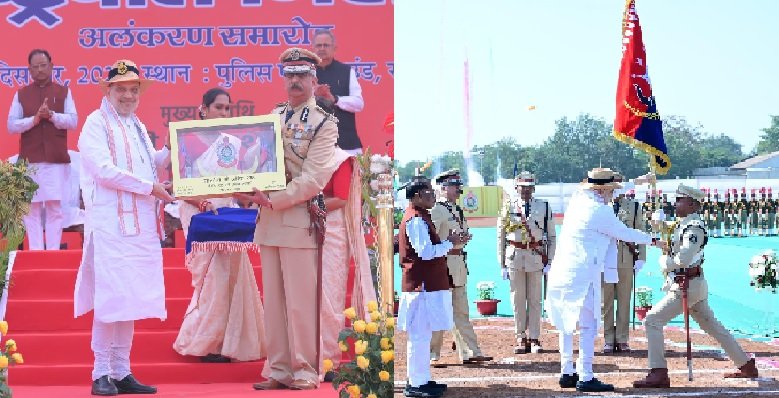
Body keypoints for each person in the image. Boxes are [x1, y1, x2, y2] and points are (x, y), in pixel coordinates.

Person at [235, 47, 339, 391]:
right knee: (275, 305)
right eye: (289, 75)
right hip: (268, 222)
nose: (295, 81)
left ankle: (307, 369)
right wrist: (241, 185)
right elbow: (253, 161)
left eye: (301, 75)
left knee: (300, 303)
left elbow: (313, 179)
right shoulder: (272, 117)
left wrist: (273, 200)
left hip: (298, 220)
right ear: (283, 79)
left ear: (314, 79)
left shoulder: (325, 124)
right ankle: (278, 369)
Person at [74, 59, 174, 396]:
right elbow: (103, 171)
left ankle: (122, 371)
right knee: (111, 298)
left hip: (139, 226)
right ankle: (101, 371)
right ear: (110, 90)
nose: (128, 96)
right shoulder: (95, 123)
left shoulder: (137, 125)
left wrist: (174, 148)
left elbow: (151, 164)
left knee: (128, 298)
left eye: (134, 90)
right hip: (110, 227)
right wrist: (150, 187)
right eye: (122, 90)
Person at [173, 88, 266, 364]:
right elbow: (180, 186)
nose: (224, 113)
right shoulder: (185, 139)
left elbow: (235, 186)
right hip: (197, 213)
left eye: (227, 108)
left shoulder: (233, 143)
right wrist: (201, 202)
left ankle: (230, 341)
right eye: (219, 108)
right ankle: (205, 342)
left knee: (232, 275)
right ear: (203, 109)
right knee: (212, 276)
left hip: (226, 214)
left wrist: (253, 197)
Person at [633, 184, 759, 388]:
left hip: (687, 285)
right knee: (713, 327)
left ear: (691, 204)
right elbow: (672, 235)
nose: (676, 204)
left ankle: (658, 372)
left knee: (652, 320)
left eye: (680, 200)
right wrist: (658, 225)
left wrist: (664, 262)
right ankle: (745, 364)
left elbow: (683, 257)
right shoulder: (685, 223)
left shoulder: (694, 228)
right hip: (692, 284)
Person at [545, 167, 654, 393]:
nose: (613, 194)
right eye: (610, 190)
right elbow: (624, 232)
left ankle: (567, 372)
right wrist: (654, 240)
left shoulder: (578, 199)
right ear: (603, 190)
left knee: (566, 325)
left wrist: (640, 180)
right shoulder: (599, 210)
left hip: (563, 271)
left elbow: (617, 191)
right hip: (582, 275)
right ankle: (585, 375)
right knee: (588, 325)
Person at [398, 175, 465, 398]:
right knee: (419, 337)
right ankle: (415, 384)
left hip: (425, 286)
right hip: (421, 287)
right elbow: (426, 253)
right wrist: (450, 243)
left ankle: (422, 379)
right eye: (428, 191)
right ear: (417, 195)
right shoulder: (416, 220)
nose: (433, 194)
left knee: (423, 335)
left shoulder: (420, 216)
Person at [6, 49, 78, 250]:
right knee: (32, 209)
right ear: (29, 70)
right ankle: (37, 252)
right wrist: (35, 119)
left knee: (55, 207)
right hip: (31, 162)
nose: (39, 70)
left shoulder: (64, 92)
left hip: (55, 159)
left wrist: (52, 115)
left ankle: (53, 252)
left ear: (51, 66)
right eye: (35, 67)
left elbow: (73, 121)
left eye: (43, 65)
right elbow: (11, 125)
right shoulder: (21, 94)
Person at [319, 147, 377, 381]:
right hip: (300, 228)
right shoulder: (298, 156)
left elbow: (341, 198)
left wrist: (303, 203)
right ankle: (300, 359)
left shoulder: (340, 160)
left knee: (330, 298)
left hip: (331, 230)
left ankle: (326, 362)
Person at [429, 169, 492, 366]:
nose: (458, 189)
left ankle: (470, 352)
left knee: (461, 311)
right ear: (443, 188)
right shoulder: (436, 210)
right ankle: (432, 354)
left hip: (457, 264)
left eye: (458, 185)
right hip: (442, 265)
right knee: (439, 311)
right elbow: (431, 238)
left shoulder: (457, 210)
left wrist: (463, 239)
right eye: (454, 186)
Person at [497, 171, 556, 354]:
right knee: (517, 299)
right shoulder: (508, 206)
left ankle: (535, 338)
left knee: (535, 300)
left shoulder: (544, 207)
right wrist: (502, 264)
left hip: (536, 257)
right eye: (522, 188)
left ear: (534, 188)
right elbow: (500, 236)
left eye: (529, 188)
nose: (526, 191)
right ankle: (521, 337)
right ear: (516, 188)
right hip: (514, 256)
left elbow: (552, 235)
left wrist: (550, 261)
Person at [602, 172, 647, 354]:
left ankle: (622, 338)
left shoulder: (634, 206)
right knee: (606, 301)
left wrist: (641, 256)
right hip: (606, 258)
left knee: (624, 300)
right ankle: (608, 339)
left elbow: (640, 230)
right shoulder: (602, 205)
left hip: (626, 257)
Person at [312, 29, 364, 155]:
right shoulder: (307, 73)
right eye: (319, 45)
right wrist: (313, 95)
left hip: (347, 144)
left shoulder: (346, 71)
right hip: (316, 146)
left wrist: (335, 99)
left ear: (334, 48)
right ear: (313, 48)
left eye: (326, 45)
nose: (322, 48)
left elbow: (359, 103)